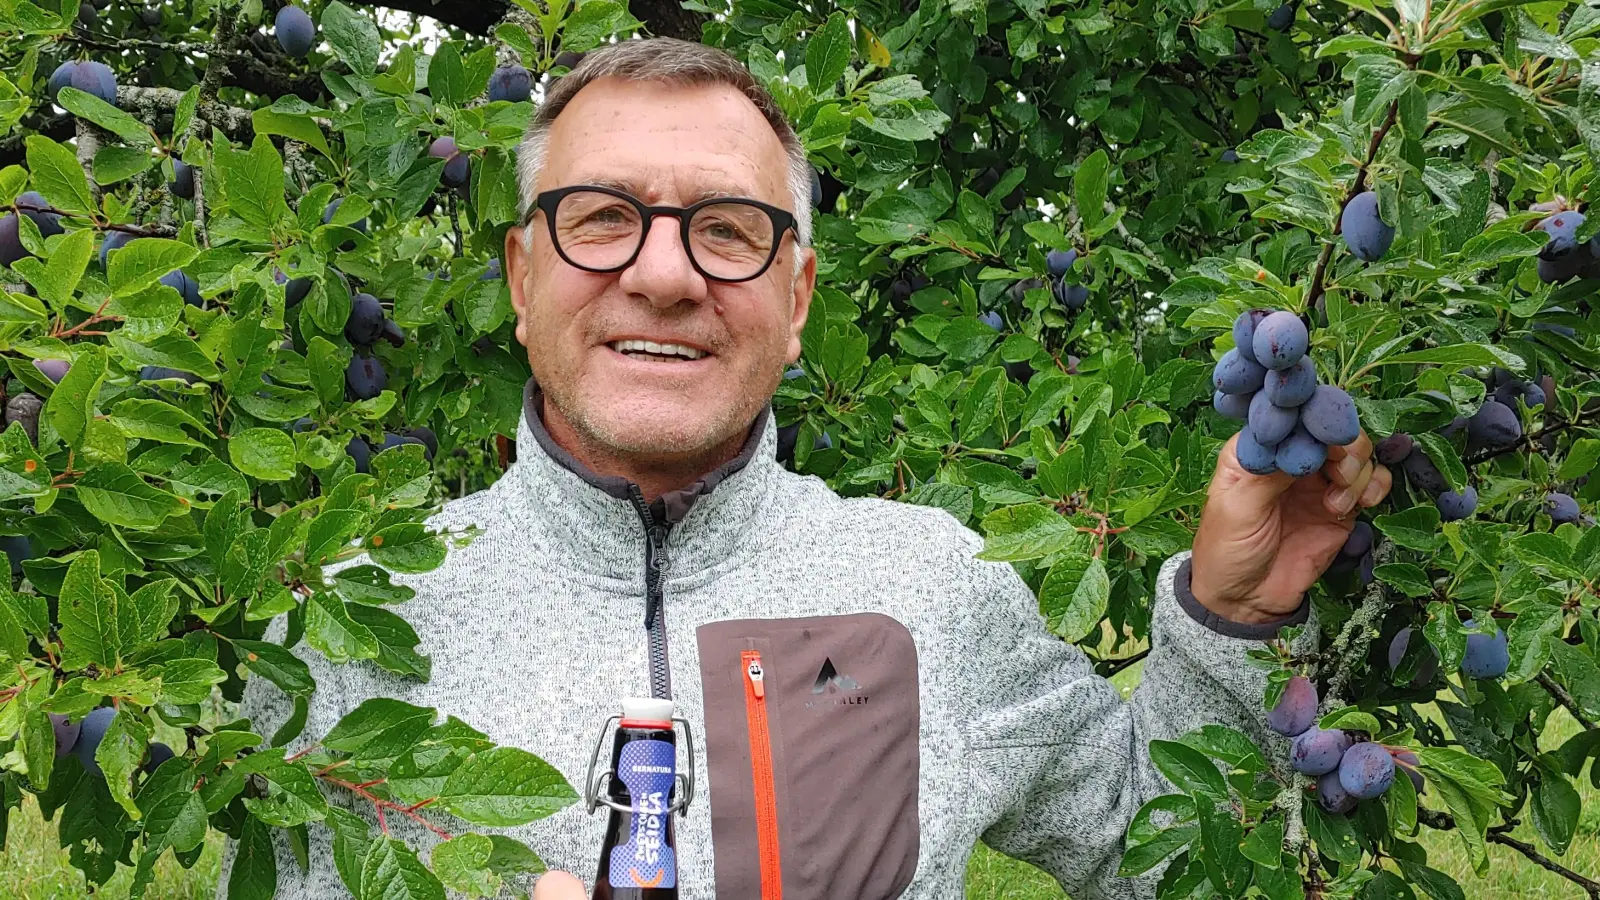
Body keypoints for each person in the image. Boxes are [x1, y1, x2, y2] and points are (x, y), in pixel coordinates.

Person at [219, 37, 1392, 900]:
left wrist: (1231, 617)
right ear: (523, 281)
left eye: (728, 229)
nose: (666, 276)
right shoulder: (342, 621)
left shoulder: (934, 586)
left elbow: (1168, 863)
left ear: (797, 302)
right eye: (599, 217)